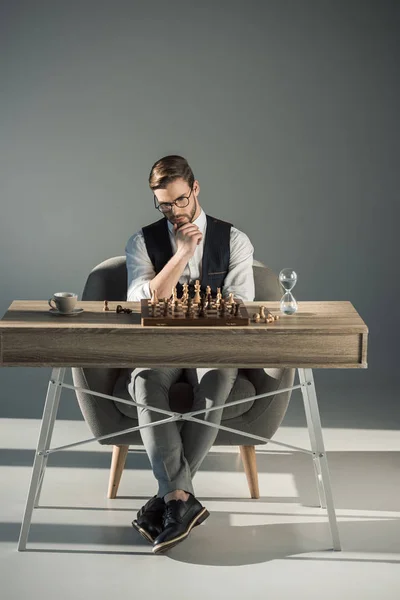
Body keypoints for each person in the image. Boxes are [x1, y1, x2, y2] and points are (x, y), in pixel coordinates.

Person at [125, 155, 255, 554]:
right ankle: (182, 501)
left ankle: (169, 499)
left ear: (195, 189)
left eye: (180, 200)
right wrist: (181, 254)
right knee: (144, 382)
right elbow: (144, 303)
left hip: (214, 349)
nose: (174, 211)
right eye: (164, 204)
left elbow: (240, 305)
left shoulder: (234, 240)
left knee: (216, 382)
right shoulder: (141, 242)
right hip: (158, 349)